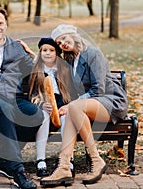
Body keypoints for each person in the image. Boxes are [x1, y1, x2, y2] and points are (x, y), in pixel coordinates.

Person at [40, 24, 128, 187]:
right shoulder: (71, 60)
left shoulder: (92, 53)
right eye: (59, 43)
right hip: (88, 105)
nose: (63, 44)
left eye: (64, 38)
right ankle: (64, 166)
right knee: (70, 112)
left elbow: (98, 89)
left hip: (110, 101)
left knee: (73, 108)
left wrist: (73, 104)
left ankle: (96, 159)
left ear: (73, 35)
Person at [0, 6, 45, 189]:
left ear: (6, 24)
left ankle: (3, 159)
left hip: (15, 96)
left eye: (0, 23)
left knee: (37, 116)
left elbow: (35, 71)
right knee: (6, 111)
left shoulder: (16, 48)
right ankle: (18, 171)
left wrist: (31, 53)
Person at [20, 37, 76, 177]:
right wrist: (40, 104)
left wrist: (68, 106)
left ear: (57, 53)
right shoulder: (36, 69)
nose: (47, 53)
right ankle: (40, 160)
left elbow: (72, 92)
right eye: (44, 50)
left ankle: (67, 159)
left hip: (62, 102)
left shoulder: (64, 69)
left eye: (51, 50)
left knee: (66, 120)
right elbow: (32, 95)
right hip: (44, 103)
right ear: (40, 53)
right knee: (43, 117)